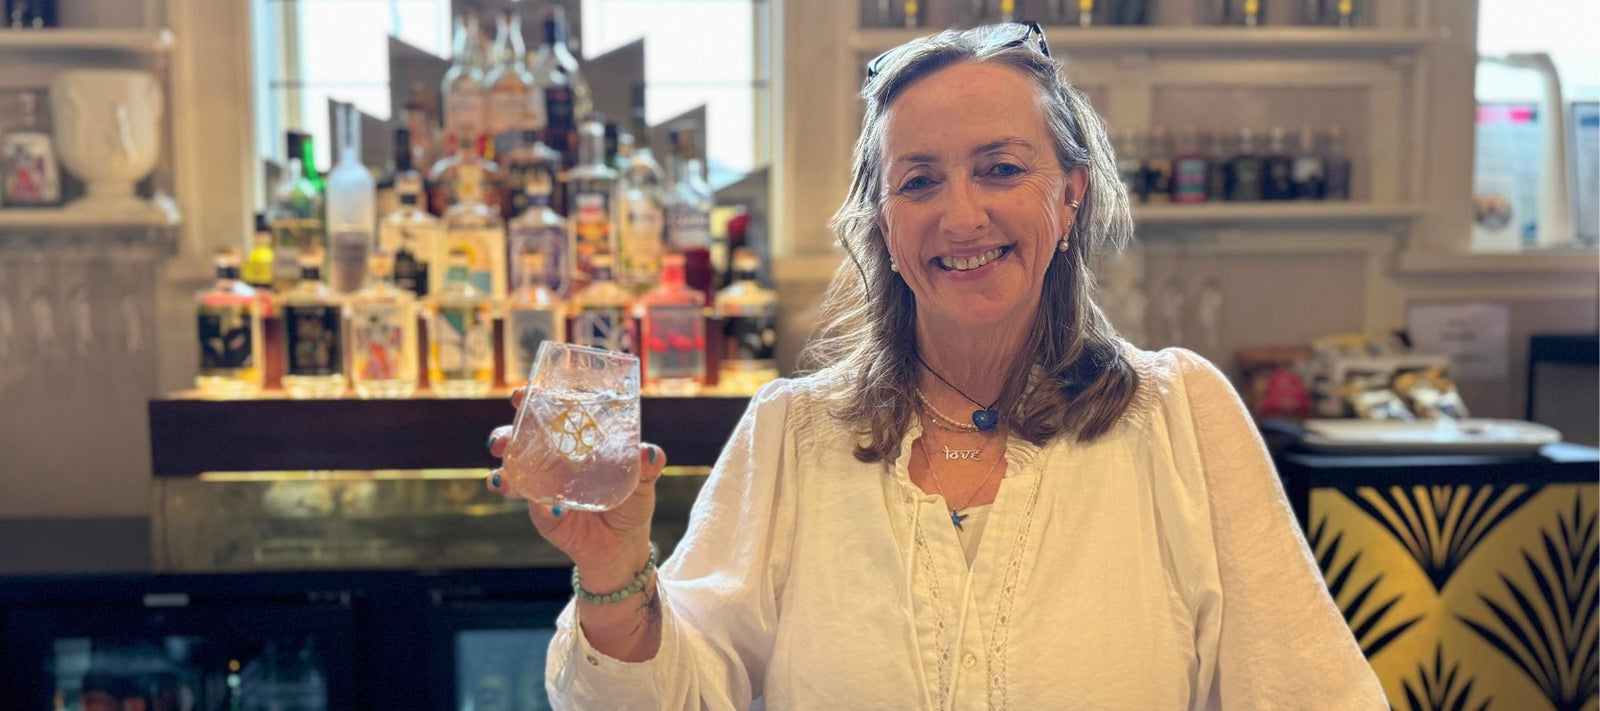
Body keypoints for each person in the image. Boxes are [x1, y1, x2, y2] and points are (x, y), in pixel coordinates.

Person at [484, 22, 1387, 709]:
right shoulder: (793, 432)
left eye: (1000, 169)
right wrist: (614, 574)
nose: (961, 217)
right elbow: (667, 694)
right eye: (918, 181)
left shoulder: (1183, 414)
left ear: (1069, 195)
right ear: (882, 221)